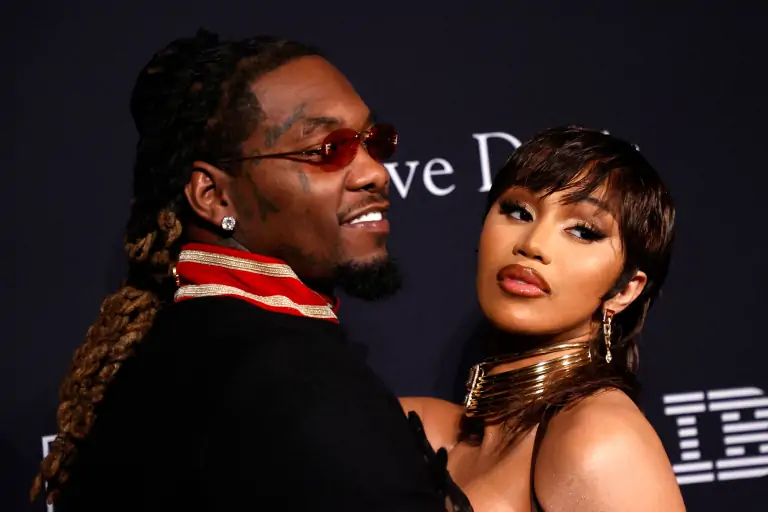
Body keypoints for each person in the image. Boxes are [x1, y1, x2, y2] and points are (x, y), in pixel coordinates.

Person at [31, 29, 471, 512]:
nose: (376, 173)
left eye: (373, 141)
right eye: (327, 149)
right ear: (214, 196)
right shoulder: (294, 382)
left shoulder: (180, 351)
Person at [402, 126, 686, 511]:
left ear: (624, 291)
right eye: (518, 212)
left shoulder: (600, 438)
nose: (532, 244)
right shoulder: (421, 427)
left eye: (583, 231)